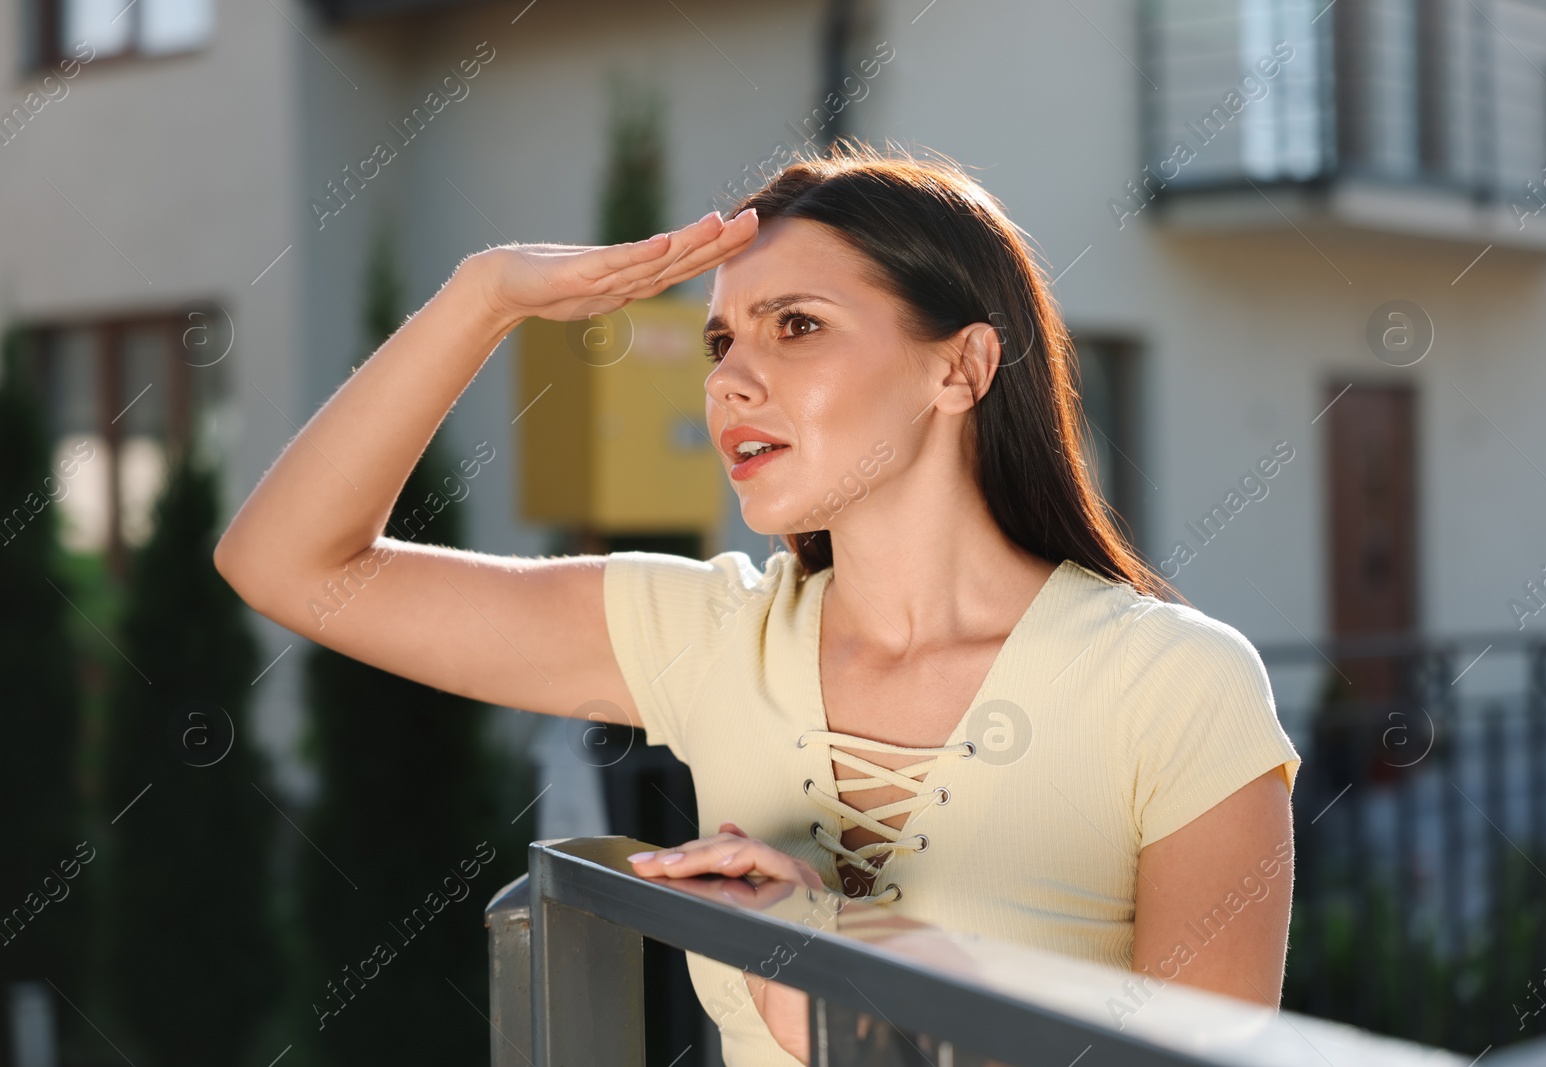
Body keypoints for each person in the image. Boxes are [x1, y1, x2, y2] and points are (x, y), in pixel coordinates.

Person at [214, 140, 1299, 1067]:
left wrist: (828, 963)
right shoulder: (705, 636)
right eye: (721, 340)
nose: (730, 379)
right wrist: (486, 296)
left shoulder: (1174, 684)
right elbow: (290, 564)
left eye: (798, 325)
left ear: (960, 367)